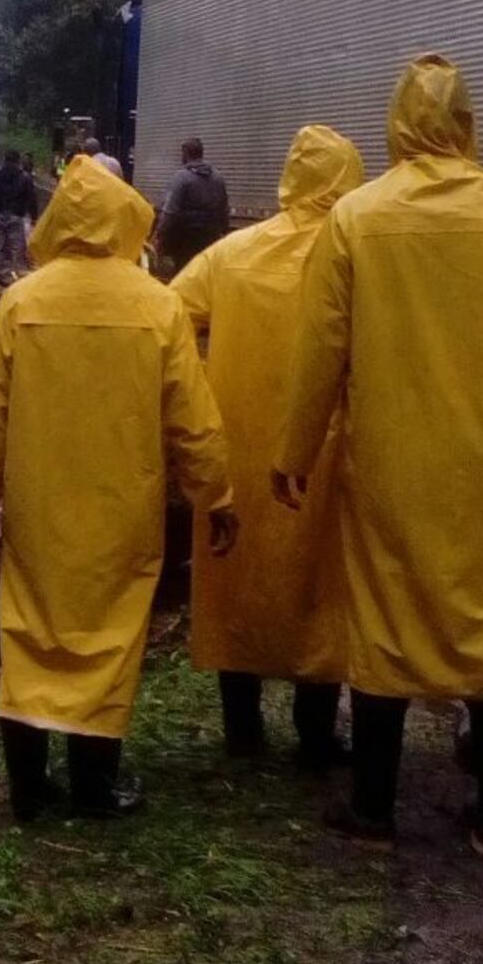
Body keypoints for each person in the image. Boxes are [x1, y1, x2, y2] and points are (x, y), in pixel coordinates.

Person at [273, 55, 483, 856]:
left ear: (397, 123)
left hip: (386, 455)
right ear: (468, 123)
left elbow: (321, 350)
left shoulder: (356, 217)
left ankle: (374, 810)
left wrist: (294, 450)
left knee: (383, 623)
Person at [0, 155, 237, 820]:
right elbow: (193, 418)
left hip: (38, 505)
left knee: (28, 630)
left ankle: (27, 786)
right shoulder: (159, 307)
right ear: (124, 216)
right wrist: (215, 495)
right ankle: (94, 787)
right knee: (109, 638)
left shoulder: (21, 302)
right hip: (121, 507)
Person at [174, 125, 364, 771]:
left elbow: (168, 318)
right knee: (321, 585)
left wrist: (198, 396)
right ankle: (316, 738)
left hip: (239, 440)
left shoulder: (231, 255)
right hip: (324, 448)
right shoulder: (356, 256)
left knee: (238, 581)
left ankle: (243, 730)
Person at [158, 138, 230, 271]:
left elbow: (170, 212)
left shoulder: (181, 177)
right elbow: (224, 209)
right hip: (210, 237)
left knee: (184, 274)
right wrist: (224, 232)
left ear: (185, 153)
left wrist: (159, 235)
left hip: (186, 240)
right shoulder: (218, 178)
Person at [0, 147, 37, 272]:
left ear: (4, 160)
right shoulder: (25, 178)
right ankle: (17, 274)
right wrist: (34, 217)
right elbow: (31, 199)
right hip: (16, 215)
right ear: (18, 161)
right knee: (17, 248)